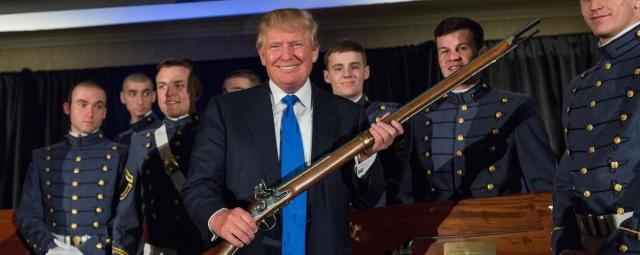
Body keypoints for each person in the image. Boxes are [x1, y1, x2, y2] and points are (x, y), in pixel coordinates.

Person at [181, 8, 403, 254]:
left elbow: (366, 200)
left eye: (297, 44)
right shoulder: (225, 111)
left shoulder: (348, 114)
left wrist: (366, 158)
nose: (286, 55)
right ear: (262, 55)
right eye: (275, 46)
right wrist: (219, 217)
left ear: (314, 52)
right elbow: (199, 185)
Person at [397, 17, 556, 204]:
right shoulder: (421, 115)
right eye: (444, 51)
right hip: (436, 228)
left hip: (501, 226)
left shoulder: (516, 106)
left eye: (461, 48)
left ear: (481, 53)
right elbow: (407, 191)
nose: (453, 57)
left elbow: (544, 184)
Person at [552, 1, 640, 254]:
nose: (595, 5)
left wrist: (625, 243)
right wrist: (565, 241)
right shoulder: (580, 85)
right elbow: (567, 174)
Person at [14, 81, 127, 255]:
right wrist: (50, 248)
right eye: (82, 104)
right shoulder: (43, 157)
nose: (90, 113)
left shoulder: (120, 155)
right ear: (67, 108)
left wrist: (88, 250)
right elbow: (27, 214)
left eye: (98, 106)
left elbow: (126, 216)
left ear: (104, 113)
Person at [112, 58, 205, 255]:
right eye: (162, 86)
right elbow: (128, 211)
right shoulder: (141, 140)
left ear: (197, 92)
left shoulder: (215, 134)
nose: (169, 93)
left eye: (178, 85)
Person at [323, 38, 402, 206]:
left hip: (378, 211)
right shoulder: (314, 121)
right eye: (338, 68)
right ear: (326, 76)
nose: (347, 74)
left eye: (354, 66)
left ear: (366, 72)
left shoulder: (390, 115)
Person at [115, 72, 161, 145]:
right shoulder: (122, 139)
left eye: (146, 94)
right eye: (132, 94)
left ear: (153, 96)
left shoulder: (162, 133)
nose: (140, 102)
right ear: (122, 97)